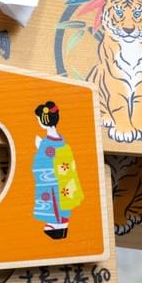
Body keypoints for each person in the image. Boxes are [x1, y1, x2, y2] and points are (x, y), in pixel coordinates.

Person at [32, 101, 84, 239]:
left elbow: (46, 161)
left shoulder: (48, 143)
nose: (38, 122)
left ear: (44, 121)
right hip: (62, 178)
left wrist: (40, 146)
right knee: (61, 198)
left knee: (55, 199)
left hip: (54, 181)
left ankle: (56, 223)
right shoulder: (61, 140)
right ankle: (61, 223)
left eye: (38, 119)